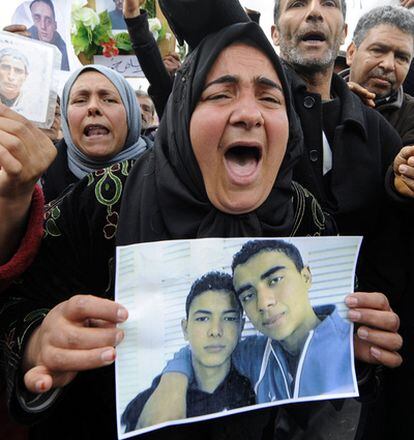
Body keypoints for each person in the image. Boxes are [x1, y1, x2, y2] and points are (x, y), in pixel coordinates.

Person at [0, 22, 401, 440]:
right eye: (220, 94)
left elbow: (316, 375)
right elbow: (17, 298)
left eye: (269, 97)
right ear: (182, 112)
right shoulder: (104, 199)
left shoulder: (305, 217)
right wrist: (36, 344)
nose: (248, 114)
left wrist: (353, 350)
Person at [162, 240, 354, 405]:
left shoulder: (353, 346)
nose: (263, 303)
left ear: (306, 277)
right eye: (248, 295)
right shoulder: (254, 353)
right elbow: (201, 347)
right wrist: (172, 384)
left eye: (274, 280)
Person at [122, 272, 255, 433]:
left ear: (241, 327)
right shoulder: (150, 404)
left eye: (229, 318)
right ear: (185, 329)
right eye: (202, 319)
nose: (215, 331)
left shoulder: (256, 392)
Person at [40, 64, 150, 203]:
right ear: (66, 117)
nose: (93, 107)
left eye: (109, 100)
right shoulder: (37, 175)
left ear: (131, 114)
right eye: (80, 100)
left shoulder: (165, 173)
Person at [343, 5, 414, 146]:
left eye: (401, 57)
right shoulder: (312, 97)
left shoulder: (411, 116)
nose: (388, 65)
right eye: (378, 50)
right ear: (351, 53)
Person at [28, 0, 69, 71]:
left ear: (55, 25)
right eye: (37, 19)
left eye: (48, 21)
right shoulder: (25, 36)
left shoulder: (64, 53)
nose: (43, 26)